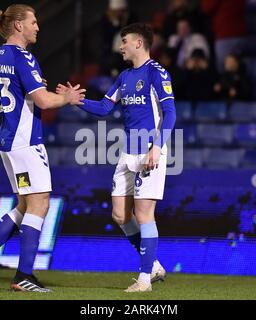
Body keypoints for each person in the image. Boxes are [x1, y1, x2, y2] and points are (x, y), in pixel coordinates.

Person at [0, 4, 85, 292]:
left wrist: (13, 91)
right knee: (40, 202)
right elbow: (43, 102)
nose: (37, 27)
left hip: (7, 141)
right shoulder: (23, 57)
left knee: (24, 204)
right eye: (33, 22)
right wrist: (67, 98)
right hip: (26, 141)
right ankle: (24, 276)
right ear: (18, 25)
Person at [57, 23, 176, 292]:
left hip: (149, 151)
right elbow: (103, 108)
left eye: (124, 41)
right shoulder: (124, 77)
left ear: (138, 43)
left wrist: (157, 146)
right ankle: (153, 264)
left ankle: (145, 280)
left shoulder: (157, 73)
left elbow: (170, 113)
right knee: (120, 215)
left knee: (144, 214)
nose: (120, 46)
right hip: (127, 152)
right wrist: (75, 100)